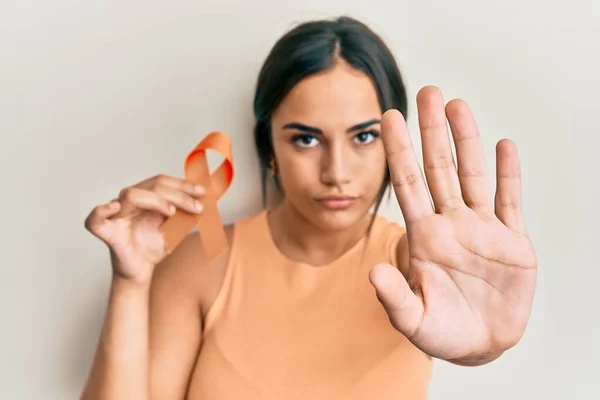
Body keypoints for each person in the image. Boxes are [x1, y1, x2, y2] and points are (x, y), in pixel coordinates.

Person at [80, 16, 537, 400]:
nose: (336, 171)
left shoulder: (418, 266)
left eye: (363, 136)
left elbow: (466, 331)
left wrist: (485, 347)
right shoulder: (204, 264)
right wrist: (131, 281)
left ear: (392, 143)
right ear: (271, 149)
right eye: (306, 138)